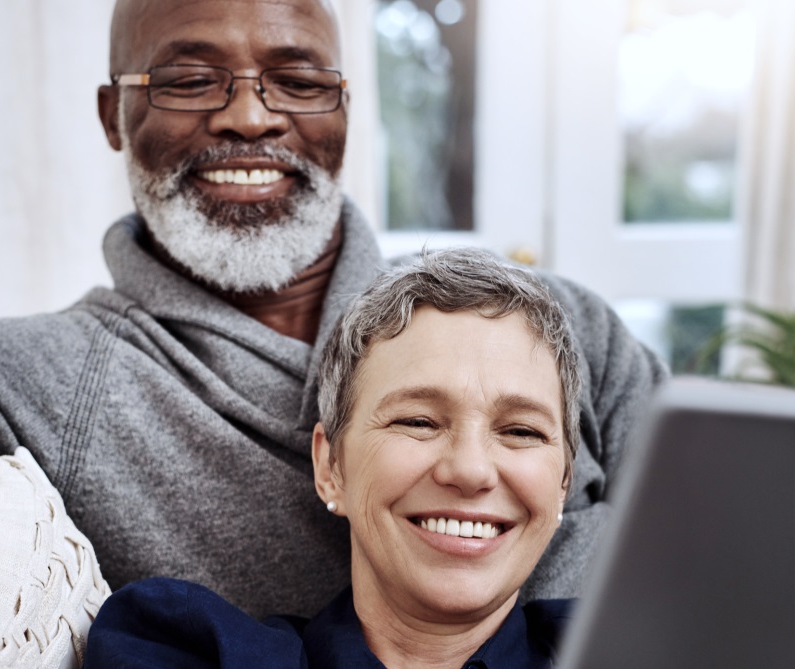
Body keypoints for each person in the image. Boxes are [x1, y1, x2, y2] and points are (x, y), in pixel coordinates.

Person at [0, 0, 667, 619]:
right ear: (113, 116)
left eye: (298, 80)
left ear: (343, 111)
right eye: (191, 78)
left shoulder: (561, 326)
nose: (249, 115)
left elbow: (729, 514)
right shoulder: (33, 383)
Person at [84, 248, 581, 668]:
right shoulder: (187, 649)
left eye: (520, 430)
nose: (470, 470)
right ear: (330, 469)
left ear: (563, 481)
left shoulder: (641, 646)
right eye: (417, 422)